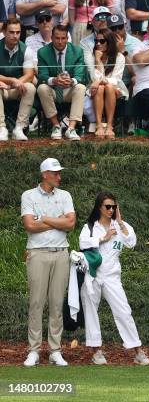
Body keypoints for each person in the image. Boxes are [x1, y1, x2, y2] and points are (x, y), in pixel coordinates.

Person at [78, 192, 149, 366]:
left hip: (112, 277)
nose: (111, 210)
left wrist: (119, 221)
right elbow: (83, 244)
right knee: (91, 312)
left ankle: (138, 351)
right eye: (108, 207)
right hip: (93, 276)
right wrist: (104, 238)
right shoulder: (90, 226)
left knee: (124, 311)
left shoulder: (121, 225)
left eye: (114, 206)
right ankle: (96, 351)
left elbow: (131, 242)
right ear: (99, 208)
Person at [21, 157, 76, 367]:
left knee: (56, 304)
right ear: (44, 175)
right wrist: (57, 222)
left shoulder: (65, 195)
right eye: (55, 173)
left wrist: (43, 219)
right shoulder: (29, 195)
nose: (59, 176)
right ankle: (34, 350)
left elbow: (70, 224)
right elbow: (29, 226)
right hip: (37, 254)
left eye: (59, 173)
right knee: (36, 303)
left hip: (61, 252)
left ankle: (55, 351)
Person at [36, 25, 87, 141]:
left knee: (81, 87)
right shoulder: (43, 52)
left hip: (69, 90)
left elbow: (80, 75)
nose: (60, 41)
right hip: (53, 90)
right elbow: (42, 75)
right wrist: (54, 80)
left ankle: (71, 128)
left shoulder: (77, 51)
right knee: (42, 88)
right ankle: (56, 126)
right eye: (57, 38)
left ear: (67, 38)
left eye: (63, 38)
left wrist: (71, 81)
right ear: (52, 38)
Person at [88, 28, 129, 138]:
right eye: (96, 41)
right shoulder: (93, 57)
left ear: (109, 42)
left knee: (109, 87)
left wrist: (100, 81)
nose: (98, 44)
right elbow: (94, 79)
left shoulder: (119, 57)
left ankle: (110, 126)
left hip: (116, 89)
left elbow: (116, 79)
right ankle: (99, 125)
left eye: (102, 41)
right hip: (97, 89)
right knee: (101, 88)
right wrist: (98, 61)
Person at [0, 19, 36, 141]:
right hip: (1, 88)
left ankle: (19, 128)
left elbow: (29, 74)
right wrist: (11, 80)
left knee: (30, 87)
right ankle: (1, 128)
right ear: (4, 32)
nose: (15, 36)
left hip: (16, 88)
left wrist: (14, 84)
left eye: (18, 32)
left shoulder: (26, 50)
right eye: (11, 32)